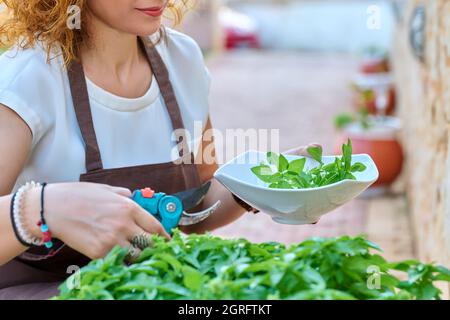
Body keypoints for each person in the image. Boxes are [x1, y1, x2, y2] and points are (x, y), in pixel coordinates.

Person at [0, 0, 318, 299]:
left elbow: (197, 205)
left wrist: (265, 181)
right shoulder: (27, 78)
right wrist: (40, 208)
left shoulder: (183, 59)